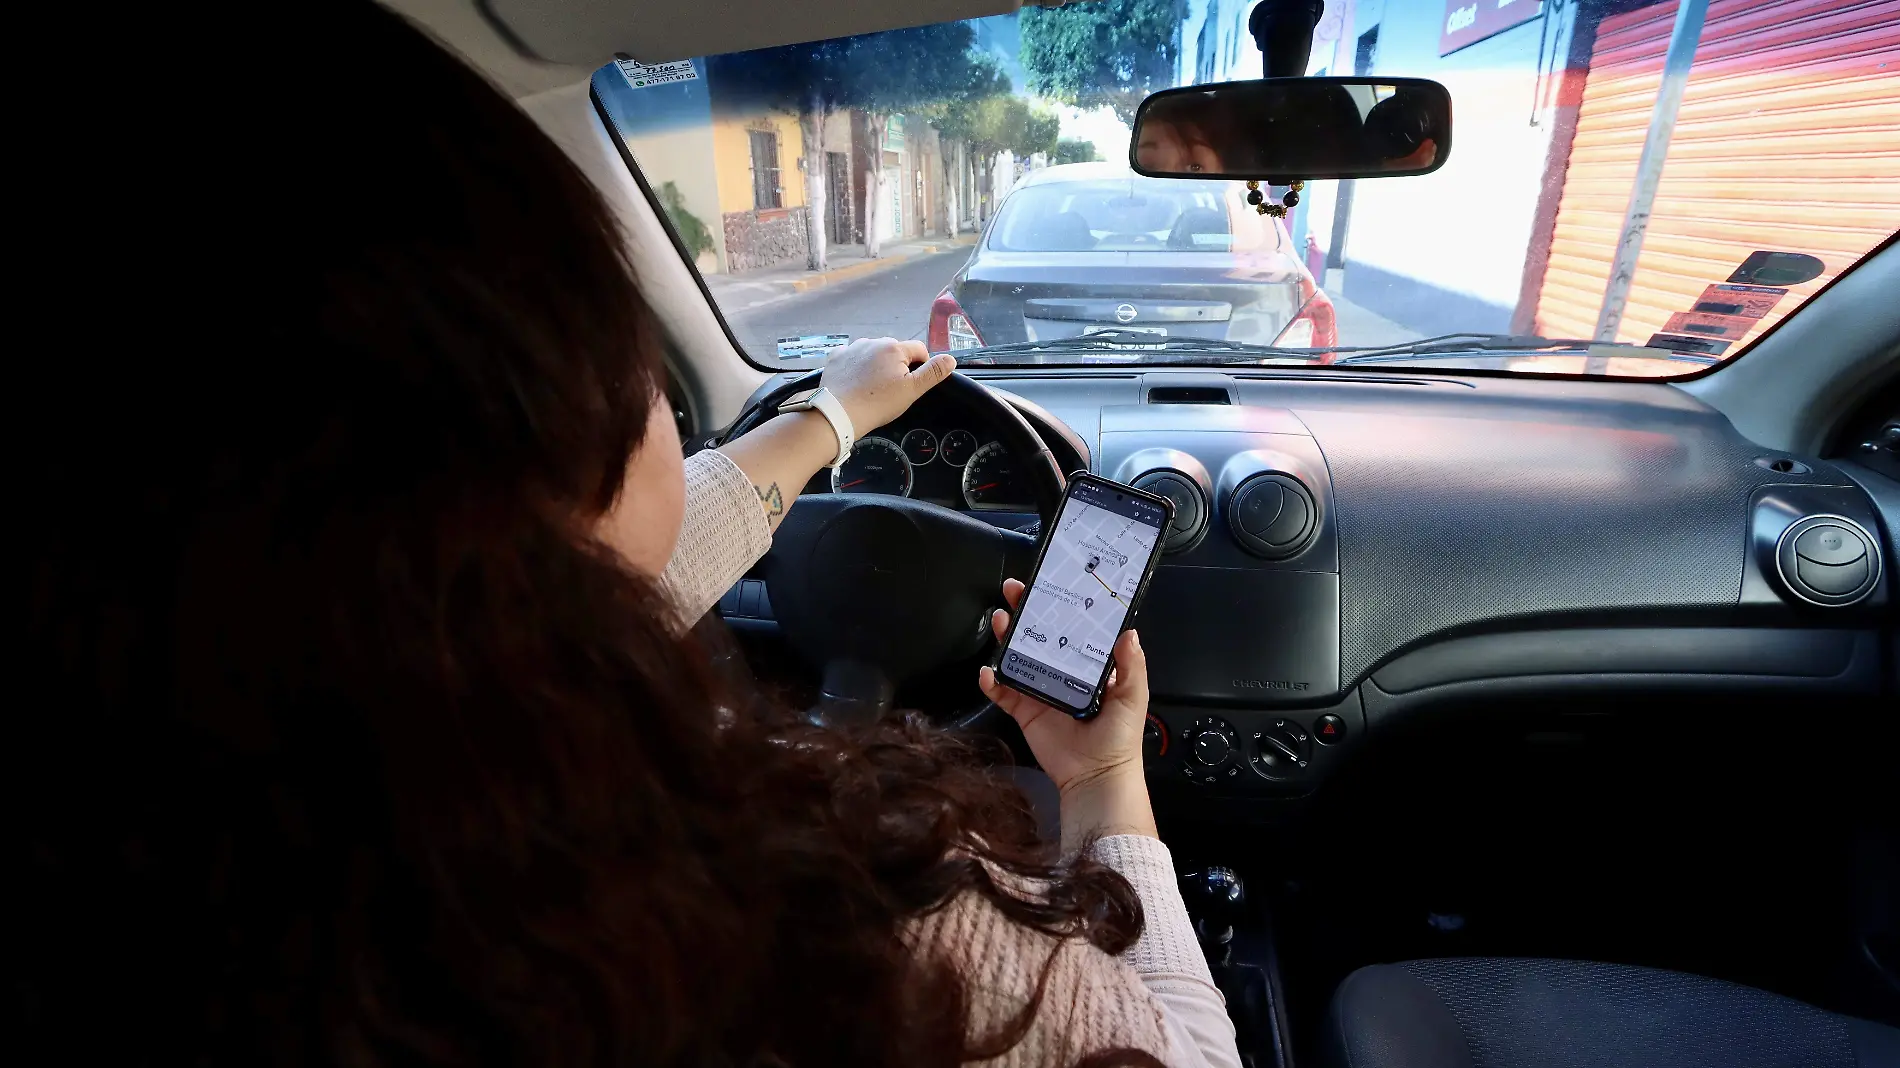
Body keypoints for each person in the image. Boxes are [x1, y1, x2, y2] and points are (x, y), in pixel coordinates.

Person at [17, 3, 1240, 1067]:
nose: (665, 402)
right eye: (640, 362)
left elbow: (644, 552)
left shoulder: (219, 848)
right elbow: (1183, 1054)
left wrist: (836, 413)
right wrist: (1100, 780)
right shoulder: (849, 920)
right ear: (543, 433)